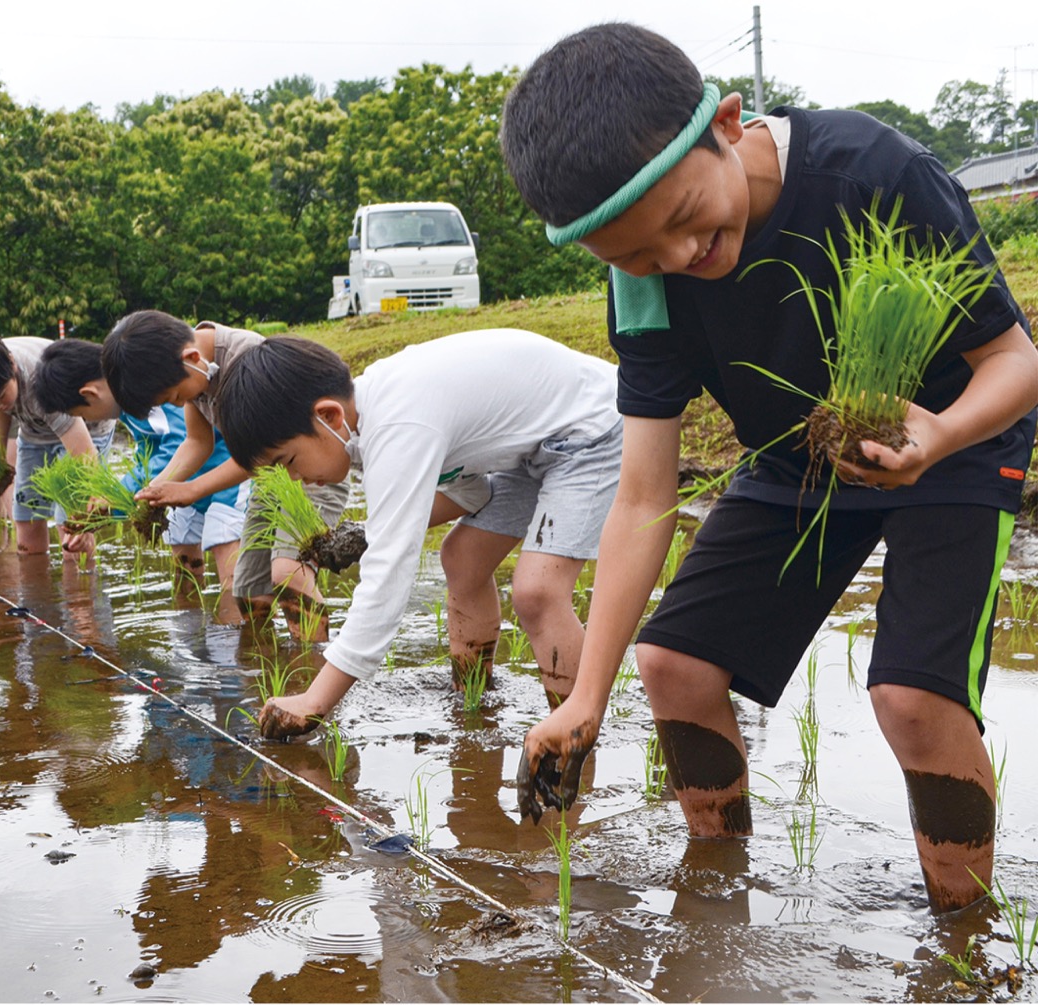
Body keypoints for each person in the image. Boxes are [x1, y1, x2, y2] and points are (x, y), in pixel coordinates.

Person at [497, 22, 1038, 914]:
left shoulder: (871, 172)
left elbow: (1015, 361)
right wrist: (585, 697)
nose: (676, 259)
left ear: (727, 123)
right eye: (634, 254)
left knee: (912, 697)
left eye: (683, 218)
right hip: (797, 454)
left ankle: (966, 931)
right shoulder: (644, 285)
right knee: (672, 664)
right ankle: (718, 895)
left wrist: (938, 436)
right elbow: (643, 496)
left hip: (954, 443)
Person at [214, 328, 623, 739]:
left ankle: (575, 736)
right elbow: (473, 493)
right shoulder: (371, 420)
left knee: (538, 591)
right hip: (532, 449)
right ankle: (473, 699)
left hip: (591, 429)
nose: (294, 478)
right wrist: (376, 531)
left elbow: (388, 576)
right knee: (462, 558)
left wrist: (316, 700)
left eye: (288, 461)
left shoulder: (398, 424)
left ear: (329, 416)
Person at [101, 310, 348, 639]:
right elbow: (197, 441)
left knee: (288, 574)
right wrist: (157, 488)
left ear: (191, 359)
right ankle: (262, 661)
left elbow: (260, 454)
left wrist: (193, 490)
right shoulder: (193, 370)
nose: (179, 404)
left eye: (176, 397)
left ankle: (315, 667)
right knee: (249, 590)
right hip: (270, 479)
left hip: (312, 465)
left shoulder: (247, 361)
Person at [32, 337, 252, 615]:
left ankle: (236, 633)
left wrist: (120, 497)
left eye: (82, 414)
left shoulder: (144, 392)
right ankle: (191, 630)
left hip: (225, 470)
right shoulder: (127, 407)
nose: (89, 421)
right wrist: (110, 506)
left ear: (90, 393)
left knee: (224, 546)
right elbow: (147, 453)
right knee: (182, 549)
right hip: (180, 483)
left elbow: (178, 442)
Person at [0, 330, 115, 559]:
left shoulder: (41, 382)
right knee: (26, 518)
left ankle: (80, 578)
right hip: (35, 429)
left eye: (1, 396)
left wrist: (90, 504)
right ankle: (34, 579)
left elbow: (84, 453)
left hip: (86, 424)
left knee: (71, 526)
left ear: (12, 364)